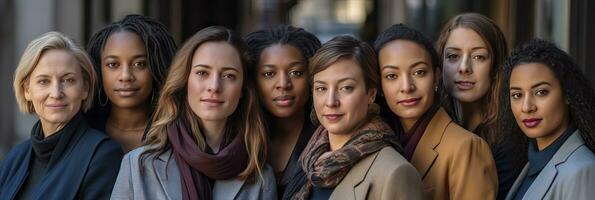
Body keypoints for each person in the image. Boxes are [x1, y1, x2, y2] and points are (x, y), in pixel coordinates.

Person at [110, 26, 276, 200]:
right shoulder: (138, 166)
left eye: (228, 76)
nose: (214, 86)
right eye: (202, 73)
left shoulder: (261, 178)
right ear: (185, 80)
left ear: (243, 89)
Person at [375, 24, 498, 199]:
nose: (406, 87)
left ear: (436, 77)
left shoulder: (466, 148)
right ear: (379, 86)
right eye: (391, 76)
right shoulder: (378, 141)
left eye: (419, 72)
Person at [293, 35, 423, 200]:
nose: (331, 102)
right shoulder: (309, 159)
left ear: (371, 94)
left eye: (346, 88)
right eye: (321, 88)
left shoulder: (395, 172)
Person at [0, 32, 122, 199]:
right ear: (27, 90)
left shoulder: (103, 156)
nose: (56, 93)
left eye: (68, 80)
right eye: (44, 81)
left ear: (85, 88)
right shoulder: (15, 158)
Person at [436, 13, 527, 198]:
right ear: (440, 64)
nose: (464, 67)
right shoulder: (434, 125)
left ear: (496, 67)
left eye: (478, 57)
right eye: (453, 56)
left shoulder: (510, 140)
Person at [502, 39, 595, 200]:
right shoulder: (530, 163)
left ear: (567, 95)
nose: (526, 107)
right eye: (517, 95)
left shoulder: (583, 170)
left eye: (541, 92)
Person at [244, 25, 321, 199]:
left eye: (295, 72)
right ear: (253, 81)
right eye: (269, 74)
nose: (283, 83)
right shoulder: (237, 142)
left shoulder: (331, 143)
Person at [86, 14, 177, 152]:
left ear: (156, 68)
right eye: (113, 64)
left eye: (139, 64)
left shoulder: (178, 136)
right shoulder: (82, 133)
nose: (126, 76)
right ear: (99, 70)